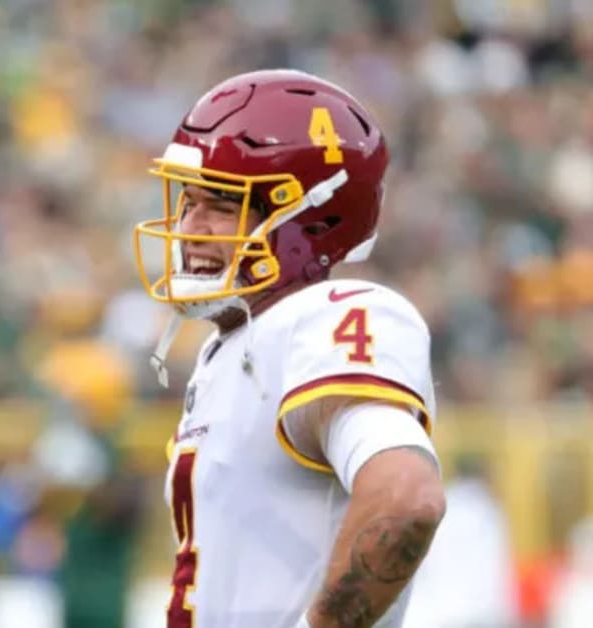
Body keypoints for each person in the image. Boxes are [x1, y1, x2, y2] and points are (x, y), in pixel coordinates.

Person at [131, 69, 446, 628]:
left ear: (310, 219)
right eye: (190, 202)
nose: (191, 228)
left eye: (223, 207)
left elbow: (405, 499)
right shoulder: (238, 344)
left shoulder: (329, 316)